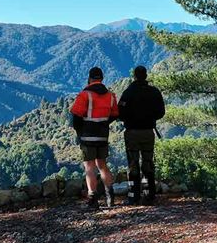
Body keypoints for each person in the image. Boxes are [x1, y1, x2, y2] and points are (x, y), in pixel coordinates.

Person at [69, 66, 119, 208]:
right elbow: (115, 114)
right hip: (103, 135)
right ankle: (110, 197)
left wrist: (80, 132)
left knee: (89, 166)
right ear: (102, 79)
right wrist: (104, 123)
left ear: (90, 78)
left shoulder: (85, 95)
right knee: (102, 165)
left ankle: (93, 198)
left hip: (88, 136)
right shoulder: (111, 96)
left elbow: (76, 116)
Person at [118, 65, 165, 205]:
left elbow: (120, 111)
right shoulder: (154, 92)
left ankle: (134, 196)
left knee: (133, 164)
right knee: (148, 162)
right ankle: (148, 194)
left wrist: (129, 119)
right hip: (148, 132)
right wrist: (150, 118)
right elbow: (161, 112)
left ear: (134, 76)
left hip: (132, 132)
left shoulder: (128, 92)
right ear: (146, 75)